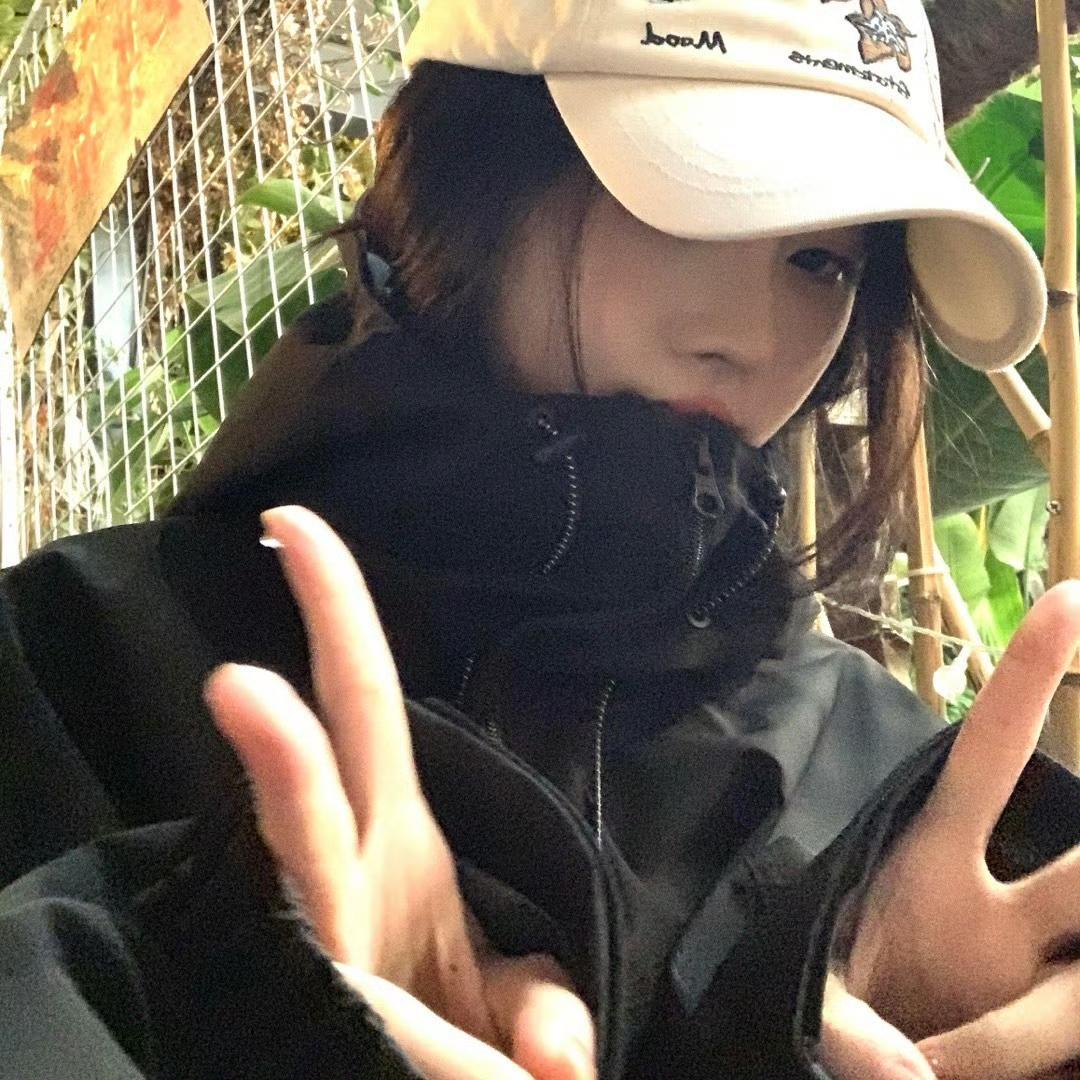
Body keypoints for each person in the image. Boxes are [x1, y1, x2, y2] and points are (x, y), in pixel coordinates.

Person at [3, 1, 1080, 1078]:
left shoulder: (899, 810)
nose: (750, 336)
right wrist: (239, 1004)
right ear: (464, 178)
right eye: (689, 208)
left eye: (820, 262)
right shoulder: (74, 665)